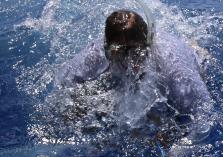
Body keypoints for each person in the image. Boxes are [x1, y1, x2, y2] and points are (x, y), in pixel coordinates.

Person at [55, 10, 211, 122]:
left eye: (136, 52)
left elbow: (202, 115)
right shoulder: (98, 52)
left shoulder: (176, 70)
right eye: (120, 52)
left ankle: (194, 46)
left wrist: (173, 150)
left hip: (182, 58)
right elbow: (66, 83)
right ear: (106, 46)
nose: (129, 61)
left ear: (148, 44)